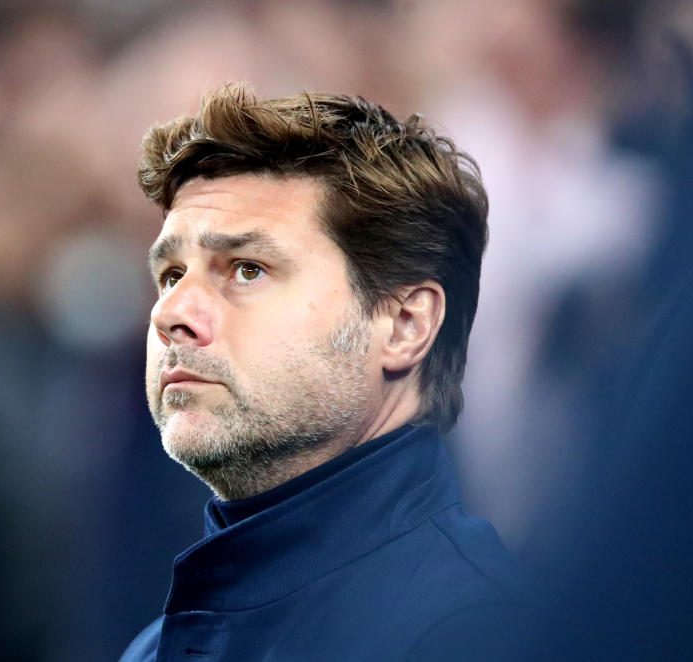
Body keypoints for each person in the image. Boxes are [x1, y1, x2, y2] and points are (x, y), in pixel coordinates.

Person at [120, 85, 533, 662]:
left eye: (246, 269)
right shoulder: (151, 650)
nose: (170, 313)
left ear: (405, 324)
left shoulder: (480, 635)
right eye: (170, 275)